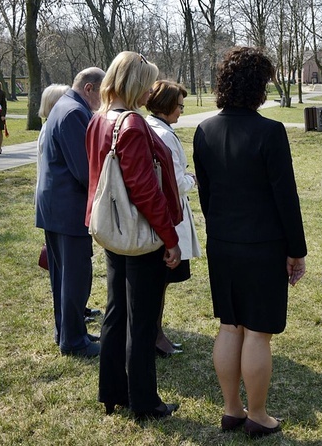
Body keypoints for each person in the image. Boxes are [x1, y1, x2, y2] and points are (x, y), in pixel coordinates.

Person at [193, 47, 307, 438]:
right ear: (259, 86)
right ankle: (257, 414)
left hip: (222, 242)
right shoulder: (270, 132)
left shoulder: (203, 130)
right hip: (263, 245)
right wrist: (297, 250)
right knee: (257, 332)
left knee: (230, 327)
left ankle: (231, 409)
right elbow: (285, 197)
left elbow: (206, 195)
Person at [85, 51, 183, 420]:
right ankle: (144, 400)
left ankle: (112, 391)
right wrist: (170, 237)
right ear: (136, 82)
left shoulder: (98, 119)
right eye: (148, 81)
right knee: (141, 321)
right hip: (139, 234)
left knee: (116, 312)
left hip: (112, 229)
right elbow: (145, 190)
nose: (151, 89)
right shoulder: (132, 124)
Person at [36, 71, 104, 358]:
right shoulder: (75, 112)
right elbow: (84, 169)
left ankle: (66, 330)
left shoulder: (64, 106)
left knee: (63, 276)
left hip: (56, 207)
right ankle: (74, 341)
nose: (103, 101)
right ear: (89, 88)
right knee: (75, 276)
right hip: (68, 208)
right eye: (102, 93)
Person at [145, 80, 201, 357]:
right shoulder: (164, 135)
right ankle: (155, 336)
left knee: (160, 282)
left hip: (164, 215)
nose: (181, 111)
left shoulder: (157, 128)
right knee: (159, 282)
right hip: (167, 216)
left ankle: (157, 333)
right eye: (179, 106)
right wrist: (193, 178)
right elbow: (176, 182)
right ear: (166, 106)